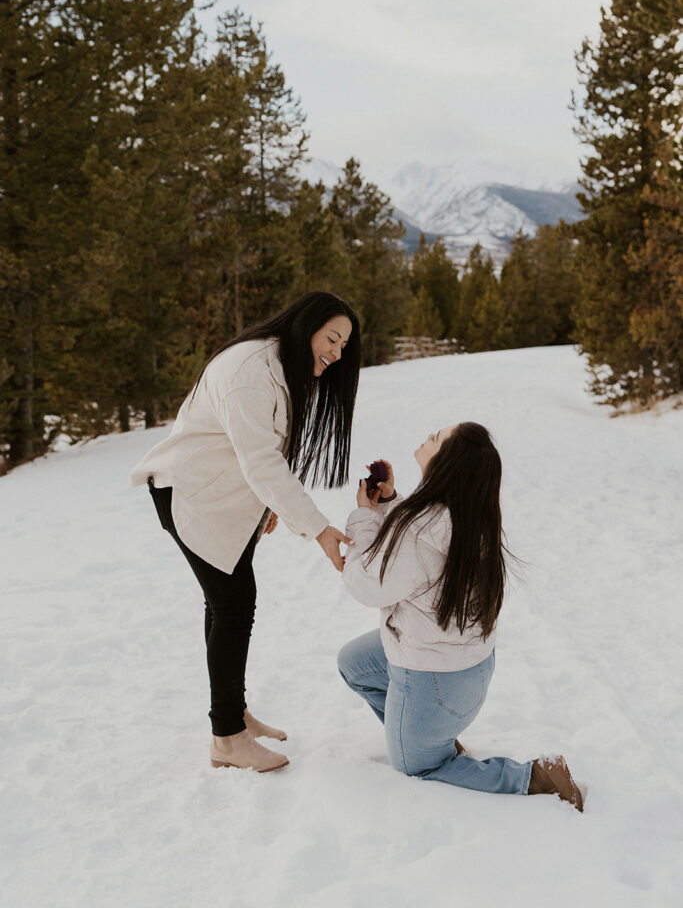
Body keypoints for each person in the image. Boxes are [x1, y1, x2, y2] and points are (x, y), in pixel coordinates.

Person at [131, 292, 361, 773]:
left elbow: (260, 449)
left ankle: (232, 715)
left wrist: (266, 504)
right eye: (332, 339)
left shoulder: (278, 363)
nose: (337, 353)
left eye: (344, 345)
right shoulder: (251, 371)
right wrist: (319, 529)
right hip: (191, 495)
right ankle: (227, 738)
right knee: (234, 607)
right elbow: (260, 461)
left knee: (226, 605)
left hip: (220, 497)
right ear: (307, 326)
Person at [338, 423, 584, 810]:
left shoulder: (421, 531)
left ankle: (532, 777)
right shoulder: (465, 514)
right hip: (466, 670)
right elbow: (416, 543)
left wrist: (364, 515)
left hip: (434, 682)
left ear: (448, 464)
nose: (428, 436)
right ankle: (425, 730)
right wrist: (388, 503)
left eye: (437, 437)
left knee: (414, 766)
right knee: (354, 662)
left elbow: (365, 583)